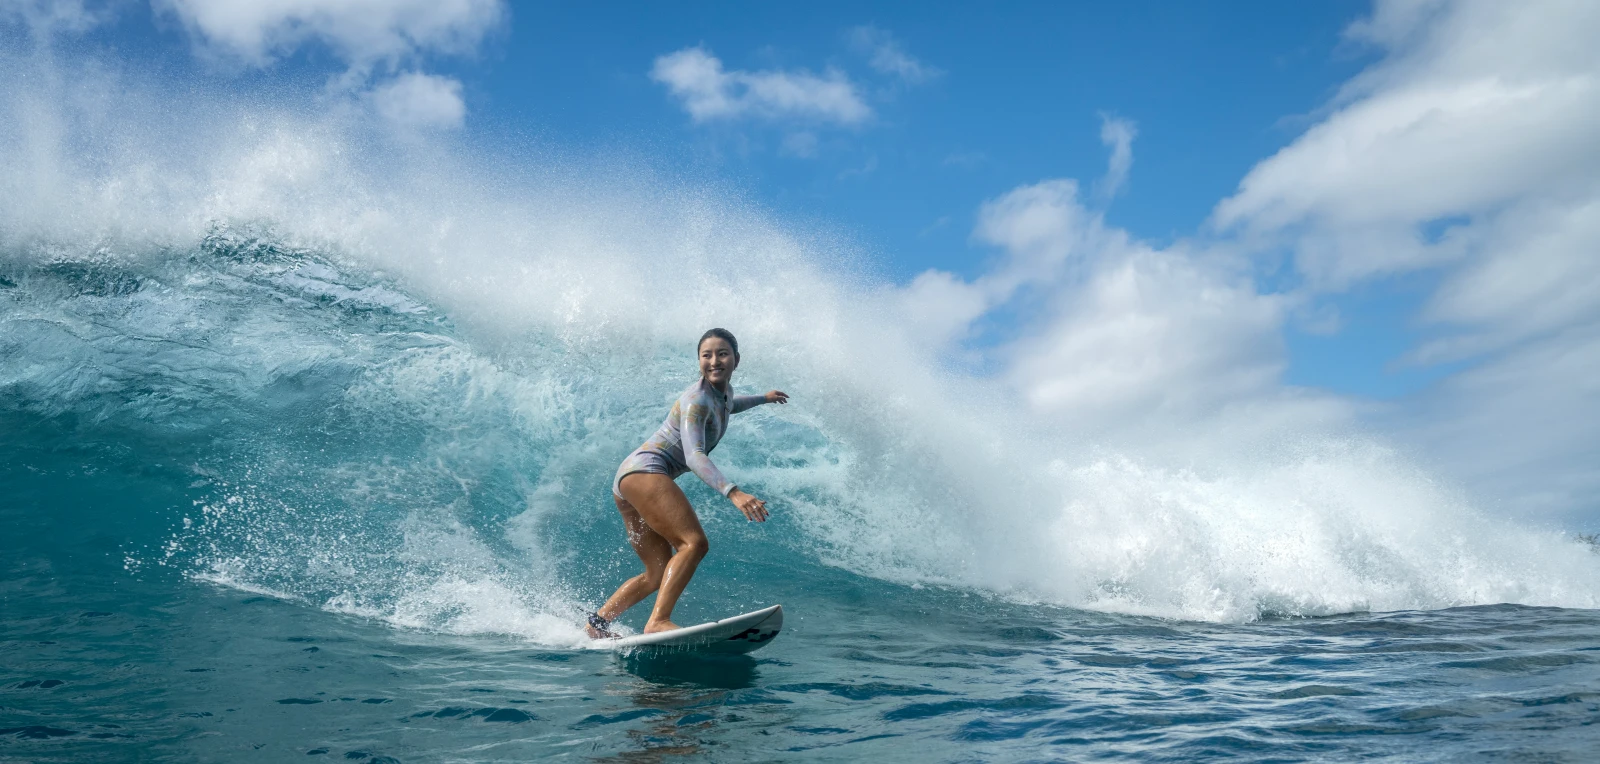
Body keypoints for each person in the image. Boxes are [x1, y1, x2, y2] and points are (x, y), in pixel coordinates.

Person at [586, 328, 788, 638]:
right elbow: (694, 456)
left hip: (627, 482)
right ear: (698, 361)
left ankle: (597, 624)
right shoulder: (697, 400)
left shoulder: (724, 395)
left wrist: (765, 398)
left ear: (736, 359)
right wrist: (733, 493)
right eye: (706, 355)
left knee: (656, 572)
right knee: (693, 544)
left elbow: (733, 404)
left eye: (722, 353)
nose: (714, 360)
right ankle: (657, 622)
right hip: (646, 471)